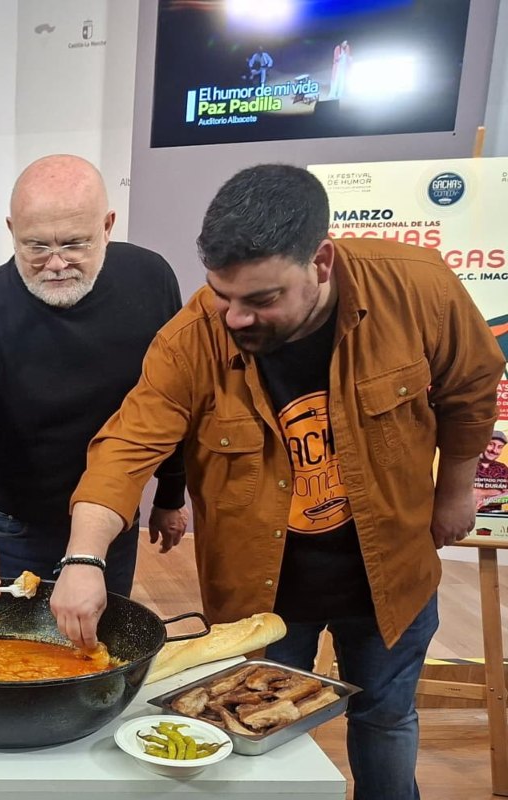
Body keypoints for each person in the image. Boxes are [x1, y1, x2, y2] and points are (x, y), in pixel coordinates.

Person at [63, 164, 503, 800]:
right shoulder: (192, 338)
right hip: (261, 593)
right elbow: (126, 446)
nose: (235, 318)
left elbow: (471, 389)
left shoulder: (418, 290)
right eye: (222, 294)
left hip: (391, 572)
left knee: (385, 717)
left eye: (261, 299)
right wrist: (84, 557)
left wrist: (456, 490)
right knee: (258, 743)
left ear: (321, 261)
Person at [0, 154, 187, 602]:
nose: (57, 264)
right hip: (11, 527)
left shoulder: (151, 279)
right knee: (12, 662)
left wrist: (170, 495)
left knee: (98, 651)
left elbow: (172, 398)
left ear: (107, 225)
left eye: (75, 244)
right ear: (11, 231)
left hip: (111, 520)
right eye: (36, 246)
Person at [474, 430, 508, 511]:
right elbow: (462, 494)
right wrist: (498, 492)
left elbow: (507, 497)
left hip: (493, 517)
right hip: (466, 516)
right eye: (491, 444)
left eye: (500, 447)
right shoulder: (467, 465)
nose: (495, 450)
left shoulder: (502, 468)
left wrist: (487, 501)